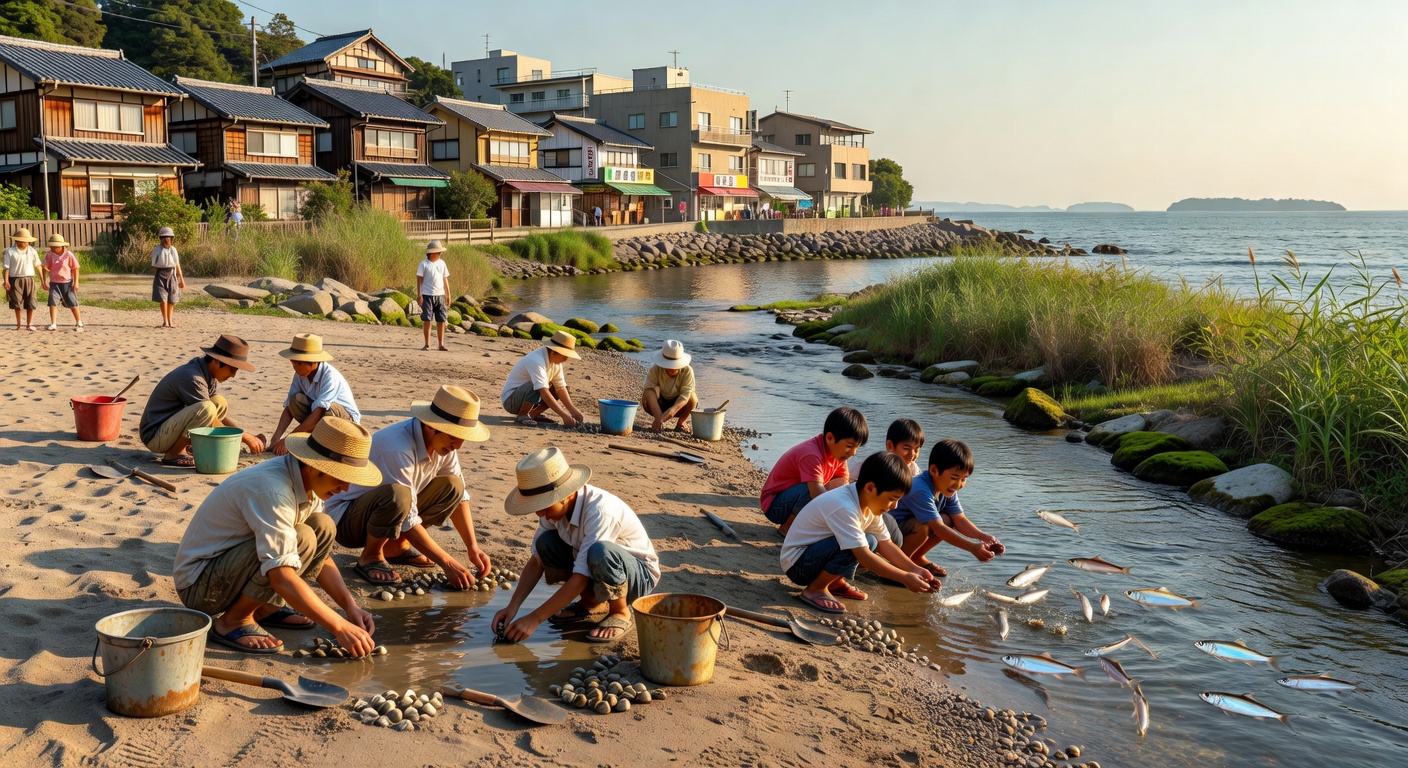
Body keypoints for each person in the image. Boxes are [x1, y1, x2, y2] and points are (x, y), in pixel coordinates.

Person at [172, 417, 382, 654]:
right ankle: (234, 621)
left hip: (231, 568)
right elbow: (281, 575)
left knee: (322, 526)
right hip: (200, 585)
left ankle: (265, 608)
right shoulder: (274, 490)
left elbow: (322, 558)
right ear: (316, 466)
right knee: (302, 537)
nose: (345, 488)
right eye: (341, 477)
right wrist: (338, 626)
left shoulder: (308, 481)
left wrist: (350, 607)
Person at [323, 385, 493, 588]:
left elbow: (460, 497)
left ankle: (395, 547)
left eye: (462, 437)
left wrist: (473, 548)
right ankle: (371, 556)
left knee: (453, 486)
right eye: (454, 436)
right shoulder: (397, 447)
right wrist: (446, 563)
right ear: (430, 425)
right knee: (398, 494)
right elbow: (407, 516)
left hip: (387, 511)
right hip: (346, 520)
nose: (458, 445)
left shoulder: (445, 446)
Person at [494, 446, 659, 642]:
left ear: (567, 495)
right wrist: (512, 607)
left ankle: (620, 611)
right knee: (545, 543)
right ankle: (591, 602)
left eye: (543, 505)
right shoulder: (552, 513)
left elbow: (582, 575)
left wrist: (535, 618)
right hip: (596, 568)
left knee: (600, 550)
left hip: (636, 576)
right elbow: (537, 561)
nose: (539, 513)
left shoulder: (599, 511)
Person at [780, 451, 942, 613]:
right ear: (870, 488)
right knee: (858, 546)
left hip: (813, 556)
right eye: (892, 498)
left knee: (871, 541)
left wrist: (914, 569)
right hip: (797, 565)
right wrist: (904, 578)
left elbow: (885, 543)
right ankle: (815, 589)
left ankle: (834, 583)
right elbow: (863, 556)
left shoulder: (866, 502)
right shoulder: (844, 506)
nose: (895, 506)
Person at [138, 334, 267, 466]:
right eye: (232, 370)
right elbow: (208, 416)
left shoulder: (206, 372)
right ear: (216, 361)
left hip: (168, 430)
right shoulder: (193, 378)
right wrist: (244, 437)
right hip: (155, 437)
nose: (233, 375)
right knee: (207, 408)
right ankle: (174, 453)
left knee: (218, 402)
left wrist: (244, 433)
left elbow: (217, 418)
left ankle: (189, 445)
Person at [890, 439, 1005, 578]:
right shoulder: (920, 489)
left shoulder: (946, 488)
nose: (958, 484)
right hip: (891, 536)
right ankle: (899, 565)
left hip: (906, 531)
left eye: (963, 479)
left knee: (948, 520)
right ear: (934, 470)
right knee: (926, 525)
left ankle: (916, 557)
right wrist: (972, 547)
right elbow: (938, 528)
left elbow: (959, 520)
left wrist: (983, 537)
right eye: (954, 477)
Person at [760, 406, 868, 535]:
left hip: (794, 499)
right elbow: (817, 494)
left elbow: (843, 485)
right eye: (850, 446)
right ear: (830, 438)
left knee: (840, 486)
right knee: (811, 489)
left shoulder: (838, 455)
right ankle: (787, 528)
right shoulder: (811, 454)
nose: (853, 453)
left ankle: (803, 526)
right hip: (775, 506)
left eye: (857, 447)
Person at [268, 333, 361, 456]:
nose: (294, 367)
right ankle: (312, 437)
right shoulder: (299, 375)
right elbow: (289, 408)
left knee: (329, 408)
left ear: (313, 362)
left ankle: (315, 440)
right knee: (295, 400)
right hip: (319, 419)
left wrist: (288, 439)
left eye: (298, 363)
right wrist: (275, 439)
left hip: (345, 422)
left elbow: (320, 412)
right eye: (293, 363)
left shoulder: (330, 376)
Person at [501, 329, 586, 427]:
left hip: (529, 398)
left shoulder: (556, 363)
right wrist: (564, 415)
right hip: (511, 401)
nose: (566, 359)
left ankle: (533, 414)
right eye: (565, 355)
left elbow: (560, 388)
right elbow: (543, 391)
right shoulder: (536, 360)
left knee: (557, 388)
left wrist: (574, 412)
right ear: (553, 352)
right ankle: (522, 415)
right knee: (538, 385)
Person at [641, 339, 697, 432]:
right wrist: (659, 418)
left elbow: (685, 395)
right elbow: (649, 391)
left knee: (692, 398)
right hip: (661, 404)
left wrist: (672, 411)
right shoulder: (655, 369)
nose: (672, 368)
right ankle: (658, 419)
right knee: (647, 393)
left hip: (679, 406)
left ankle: (680, 423)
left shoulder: (687, 371)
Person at [40, 233, 81, 331]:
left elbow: (76, 268)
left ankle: (78, 321)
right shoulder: (49, 255)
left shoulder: (68, 255)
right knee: (52, 302)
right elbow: (44, 268)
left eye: (54, 247)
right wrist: (43, 282)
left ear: (60, 246)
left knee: (72, 302)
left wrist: (76, 283)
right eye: (51, 246)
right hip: (54, 283)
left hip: (67, 282)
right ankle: (53, 323)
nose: (52, 248)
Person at [417, 240, 451, 351]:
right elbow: (419, 280)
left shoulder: (442, 263)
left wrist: (448, 294)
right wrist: (419, 295)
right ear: (432, 253)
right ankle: (427, 344)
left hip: (440, 295)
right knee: (427, 319)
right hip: (427, 295)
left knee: (441, 319)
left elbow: (445, 279)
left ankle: (441, 344)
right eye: (438, 252)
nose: (440, 254)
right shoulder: (424, 264)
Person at [3, 227, 40, 331]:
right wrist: (6, 281)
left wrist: (43, 280)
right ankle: (19, 325)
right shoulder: (10, 251)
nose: (24, 243)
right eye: (21, 241)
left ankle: (29, 324)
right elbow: (6, 268)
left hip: (29, 279)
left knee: (31, 302)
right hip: (15, 279)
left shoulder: (32, 251)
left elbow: (38, 265)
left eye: (26, 241)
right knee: (17, 303)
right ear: (17, 241)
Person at [150, 226, 186, 329]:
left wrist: (181, 279)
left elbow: (177, 264)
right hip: (160, 275)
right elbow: (153, 265)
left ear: (171, 238)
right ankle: (165, 321)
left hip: (172, 275)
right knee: (163, 299)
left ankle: (170, 321)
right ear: (161, 238)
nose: (166, 239)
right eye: (164, 237)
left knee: (172, 300)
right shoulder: (156, 250)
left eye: (168, 237)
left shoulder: (173, 250)